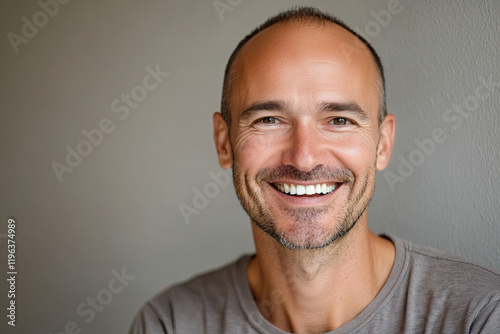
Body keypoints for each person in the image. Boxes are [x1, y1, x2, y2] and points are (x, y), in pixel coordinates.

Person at [129, 7, 500, 334]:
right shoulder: (170, 323)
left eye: (339, 119)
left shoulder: (479, 316)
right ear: (224, 142)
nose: (304, 158)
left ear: (383, 144)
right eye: (269, 119)